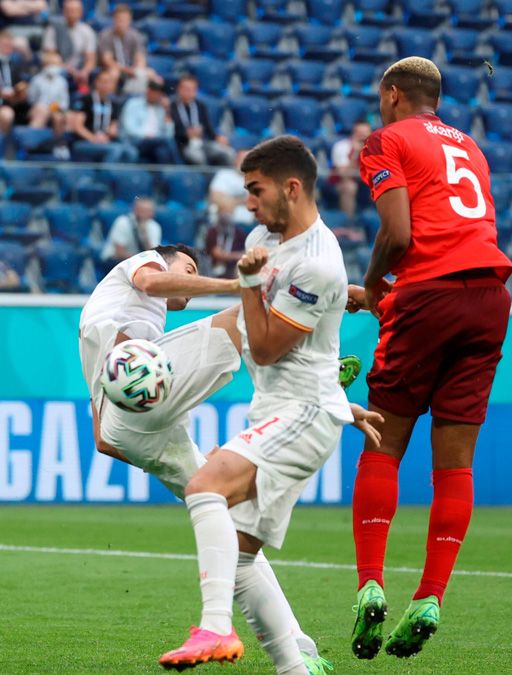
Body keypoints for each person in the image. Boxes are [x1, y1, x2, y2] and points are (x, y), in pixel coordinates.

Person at [158, 136, 354, 673]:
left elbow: (265, 344)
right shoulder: (267, 238)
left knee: (204, 486)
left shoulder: (318, 263)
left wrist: (246, 281)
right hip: (283, 410)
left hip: (304, 412)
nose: (248, 202)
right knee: (241, 559)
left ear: (291, 188)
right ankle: (296, 668)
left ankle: (214, 629)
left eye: (255, 190)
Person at [347, 57, 512, 660]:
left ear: (392, 94)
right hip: (491, 299)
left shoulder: (386, 139)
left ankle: (370, 584)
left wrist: (373, 286)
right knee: (455, 464)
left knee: (382, 443)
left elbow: (399, 235)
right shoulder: (470, 146)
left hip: (428, 295)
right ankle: (431, 595)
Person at [69, 68, 136, 164]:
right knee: (115, 150)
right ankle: (107, 176)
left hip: (104, 140)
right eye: (104, 82)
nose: (107, 85)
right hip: (84, 141)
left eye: (110, 82)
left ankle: (122, 177)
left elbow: (113, 126)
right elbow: (77, 126)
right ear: (97, 83)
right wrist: (93, 138)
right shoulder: (86, 99)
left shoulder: (113, 104)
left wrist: (110, 133)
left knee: (131, 152)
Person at [172, 75, 233, 167]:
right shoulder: (172, 106)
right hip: (184, 145)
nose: (189, 92)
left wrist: (218, 137)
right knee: (198, 157)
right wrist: (186, 134)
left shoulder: (200, 106)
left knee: (228, 153)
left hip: (203, 142)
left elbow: (208, 128)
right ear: (179, 89)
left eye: (192, 89)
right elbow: (171, 129)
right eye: (186, 89)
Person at [98, 4, 160, 95]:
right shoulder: (106, 35)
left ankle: (142, 101)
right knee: (114, 73)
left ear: (129, 21)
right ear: (114, 20)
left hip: (130, 68)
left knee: (152, 74)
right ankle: (111, 101)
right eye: (119, 19)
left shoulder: (135, 36)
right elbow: (108, 61)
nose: (122, 22)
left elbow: (140, 58)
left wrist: (137, 69)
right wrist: (128, 70)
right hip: (111, 68)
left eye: (125, 20)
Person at [42, 0, 97, 93]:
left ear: (80, 12)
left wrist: (85, 71)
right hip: (59, 68)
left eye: (74, 10)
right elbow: (50, 57)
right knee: (52, 71)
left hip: (79, 70)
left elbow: (91, 58)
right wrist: (70, 70)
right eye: (69, 10)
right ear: (64, 11)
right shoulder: (53, 28)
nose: (71, 13)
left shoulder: (87, 31)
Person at [120, 80, 178, 165]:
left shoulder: (162, 109)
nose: (153, 95)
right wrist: (147, 136)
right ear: (147, 91)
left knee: (161, 152)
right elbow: (129, 128)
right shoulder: (133, 104)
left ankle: (163, 177)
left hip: (157, 142)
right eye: (151, 92)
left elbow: (169, 134)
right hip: (137, 141)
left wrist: (167, 112)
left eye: (157, 93)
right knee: (166, 142)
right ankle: (179, 166)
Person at [101, 196, 161, 266]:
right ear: (135, 210)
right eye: (143, 210)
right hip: (115, 261)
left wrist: (145, 235)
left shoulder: (154, 226)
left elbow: (152, 254)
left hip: (137, 262)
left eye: (149, 211)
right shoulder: (123, 222)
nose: (148, 214)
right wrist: (140, 261)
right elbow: (119, 253)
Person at [330, 120, 371, 219]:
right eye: (360, 134)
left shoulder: (374, 148)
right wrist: (356, 153)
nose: (363, 138)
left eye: (366, 134)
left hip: (365, 183)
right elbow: (343, 174)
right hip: (339, 182)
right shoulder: (341, 146)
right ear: (354, 134)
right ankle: (349, 224)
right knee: (349, 187)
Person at [27, 49, 70, 140]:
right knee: (41, 110)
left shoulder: (62, 82)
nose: (54, 67)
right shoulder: (37, 80)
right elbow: (31, 100)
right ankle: (30, 142)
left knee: (59, 117)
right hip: (38, 109)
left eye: (56, 64)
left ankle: (59, 145)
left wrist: (53, 108)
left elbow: (64, 103)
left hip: (55, 110)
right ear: (45, 65)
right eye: (51, 64)